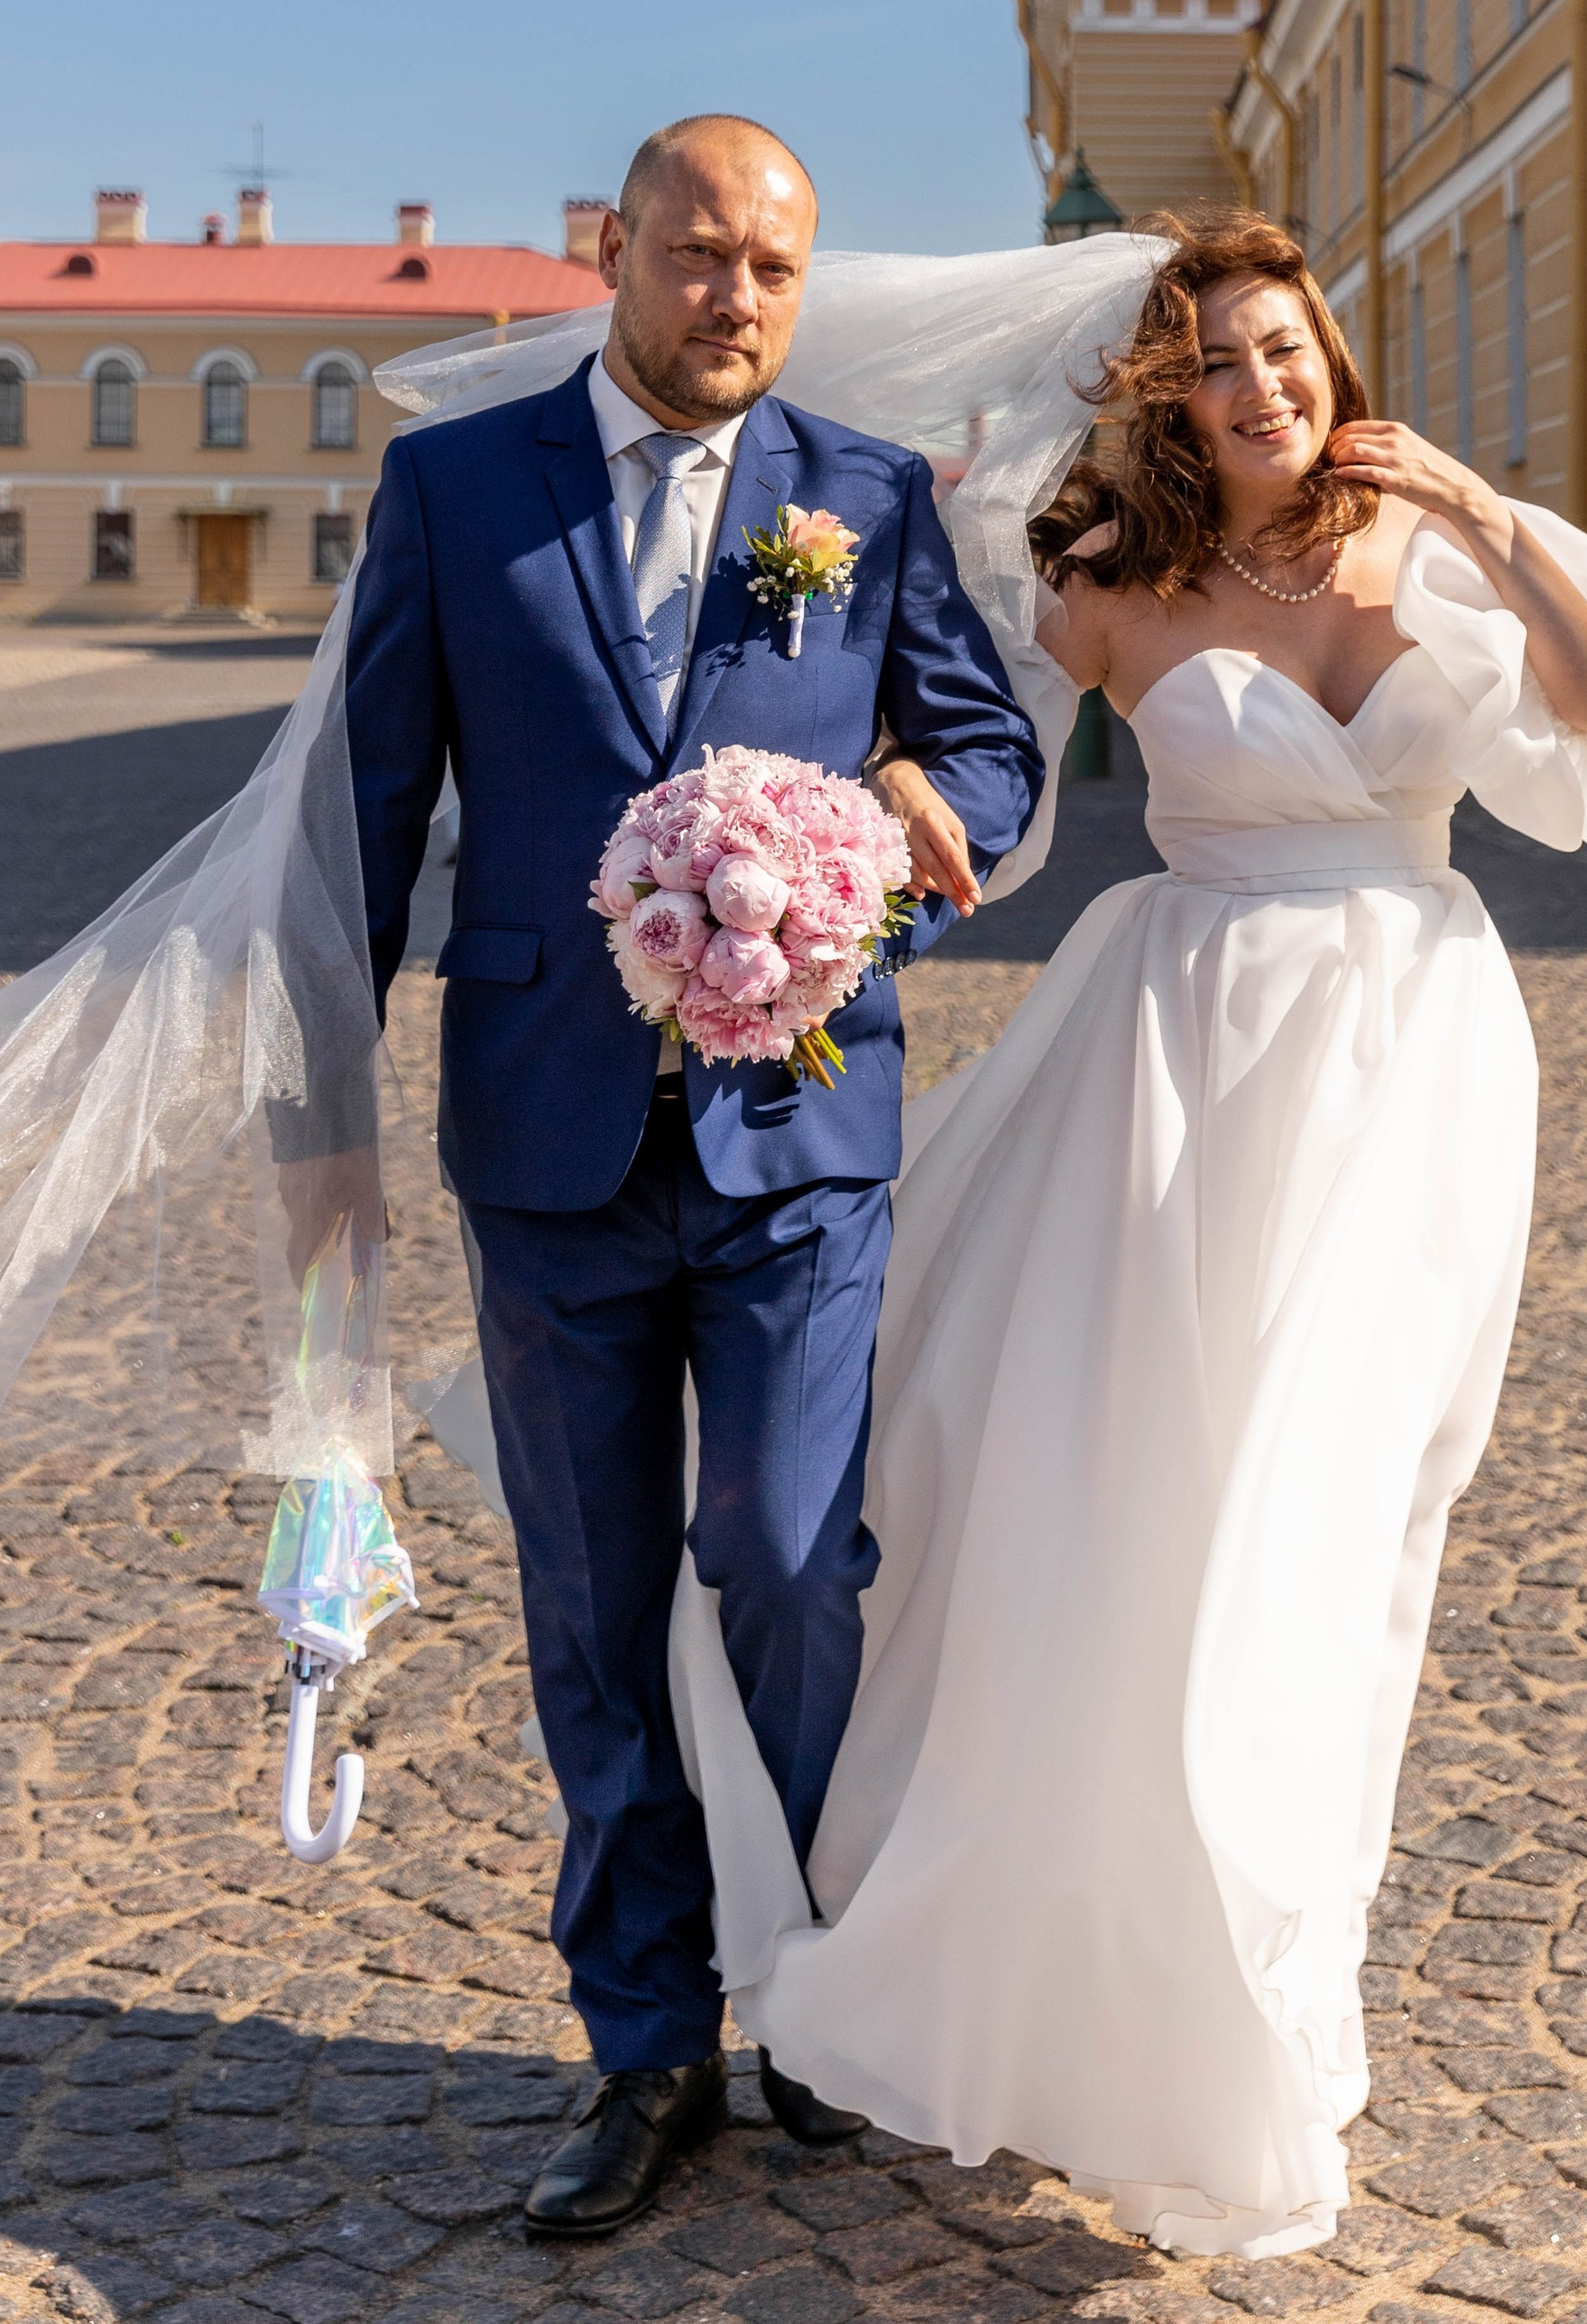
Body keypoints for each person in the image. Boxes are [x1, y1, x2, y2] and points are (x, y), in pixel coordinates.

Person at [669, 209, 1587, 2262]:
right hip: (1169, 1061)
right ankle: (1068, 1976)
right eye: (1218, 359)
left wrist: (1484, 513)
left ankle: (1258, 2021)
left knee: (1318, 1529)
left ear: (1329, 358)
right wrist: (847, 797)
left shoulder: (1440, 549)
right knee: (1114, 1514)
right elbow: (978, 783)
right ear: (1170, 393)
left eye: (1287, 347)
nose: (1264, 386)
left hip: (1395, 1067)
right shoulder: (1103, 587)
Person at [337, 113, 1045, 2236]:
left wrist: (903, 829)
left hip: (800, 1131)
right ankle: (644, 2046)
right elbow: (375, 799)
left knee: (780, 1550)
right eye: (695, 256)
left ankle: (818, 1987)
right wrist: (311, 1106)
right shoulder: (457, 493)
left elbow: (995, 756)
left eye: (771, 269)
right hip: (546, 1128)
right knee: (591, 1604)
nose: (732, 299)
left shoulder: (868, 496)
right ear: (614, 253)